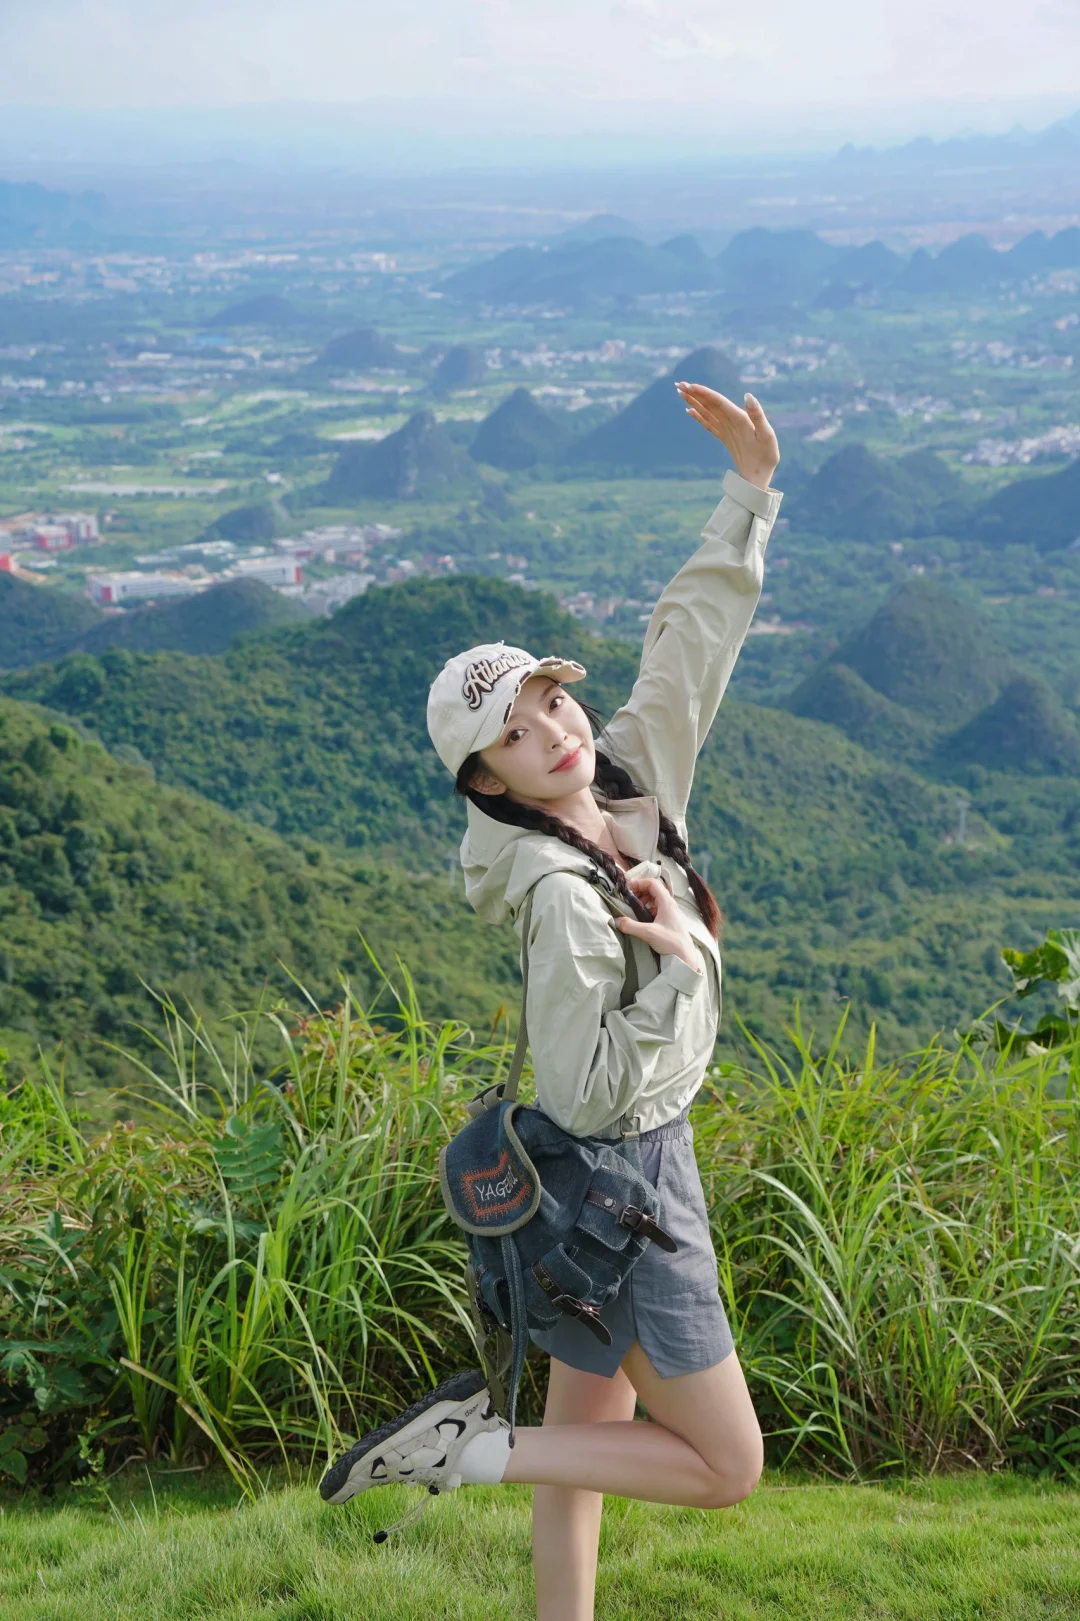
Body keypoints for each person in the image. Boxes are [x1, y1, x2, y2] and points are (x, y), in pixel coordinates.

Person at [322, 381, 783, 1621]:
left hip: (607, 1185)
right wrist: (684, 967)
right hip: (625, 1184)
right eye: (519, 736)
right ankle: (465, 1448)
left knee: (590, 1444)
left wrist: (747, 493)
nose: (557, 732)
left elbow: (688, 654)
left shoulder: (625, 783)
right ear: (486, 783)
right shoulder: (560, 893)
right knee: (726, 1465)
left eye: (552, 703)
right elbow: (586, 1087)